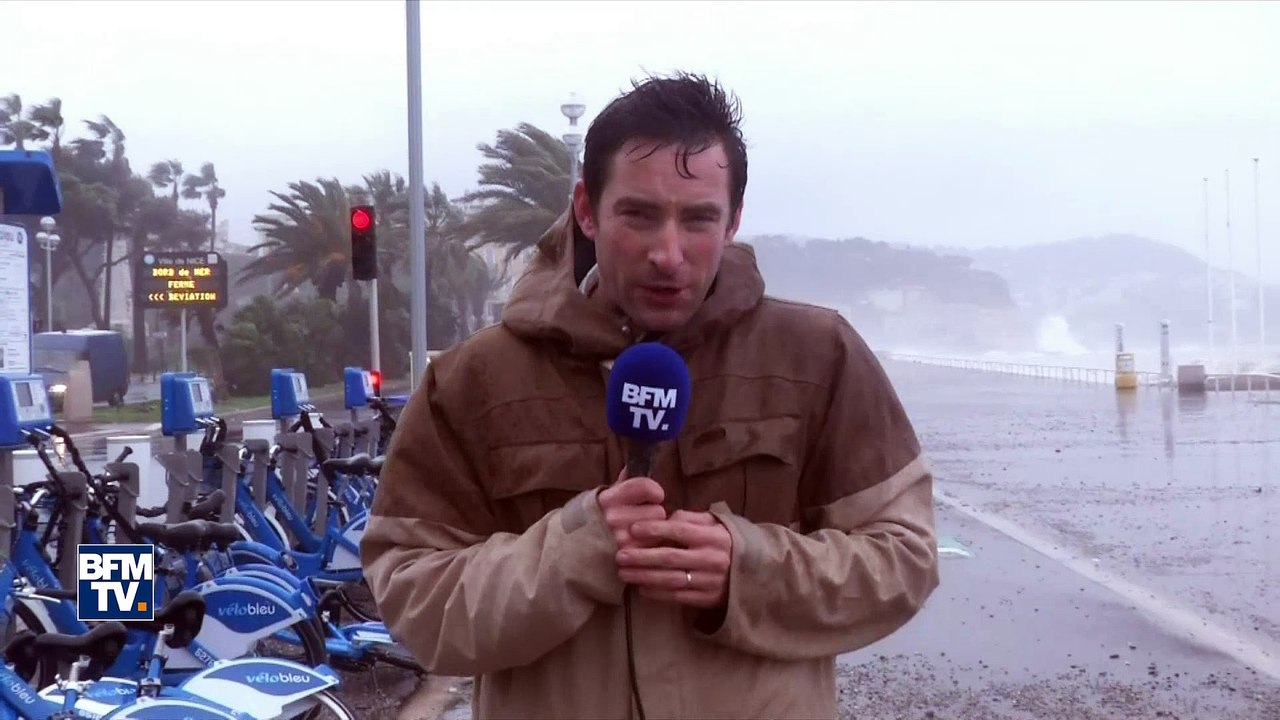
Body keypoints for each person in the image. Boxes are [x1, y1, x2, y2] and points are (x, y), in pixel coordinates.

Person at [361, 71, 939, 719]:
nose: (669, 253)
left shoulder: (816, 356)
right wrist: (571, 552)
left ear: (734, 220)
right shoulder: (475, 380)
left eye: (698, 219)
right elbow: (413, 598)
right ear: (586, 209)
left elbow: (904, 557)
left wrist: (747, 569)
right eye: (639, 215)